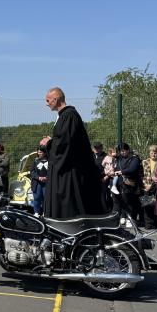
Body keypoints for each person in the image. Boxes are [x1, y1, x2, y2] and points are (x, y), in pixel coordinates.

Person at [40, 88, 106, 218]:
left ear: (56, 99)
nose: (46, 104)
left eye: (48, 100)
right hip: (68, 170)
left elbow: (64, 145)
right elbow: (64, 140)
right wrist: (52, 141)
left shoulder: (69, 115)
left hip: (71, 173)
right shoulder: (64, 116)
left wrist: (49, 143)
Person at [115, 143, 144, 224]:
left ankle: (130, 219)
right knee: (123, 201)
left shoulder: (134, 158)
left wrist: (122, 172)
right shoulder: (120, 159)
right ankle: (123, 216)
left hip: (131, 183)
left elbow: (132, 169)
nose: (122, 152)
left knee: (131, 202)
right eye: (121, 151)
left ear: (128, 150)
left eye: (124, 151)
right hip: (121, 184)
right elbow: (116, 168)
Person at [29, 148, 49, 216]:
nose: (39, 153)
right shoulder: (35, 161)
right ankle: (36, 213)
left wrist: (47, 178)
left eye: (41, 152)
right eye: (38, 152)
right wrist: (38, 177)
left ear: (45, 153)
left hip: (46, 183)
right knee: (37, 198)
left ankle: (45, 213)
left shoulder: (50, 161)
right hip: (37, 183)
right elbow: (32, 171)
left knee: (45, 198)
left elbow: (52, 171)